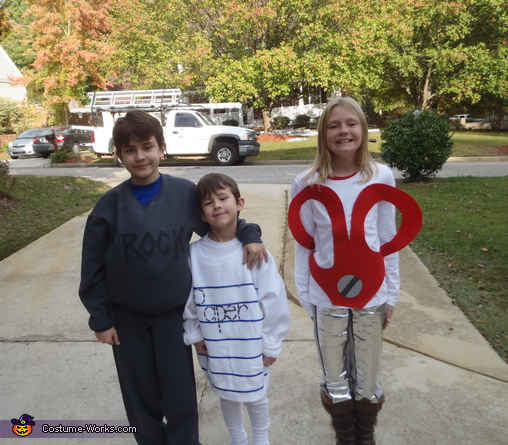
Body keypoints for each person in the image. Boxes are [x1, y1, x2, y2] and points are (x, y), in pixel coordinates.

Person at [78, 110, 267, 445]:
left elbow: (221, 219)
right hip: (126, 319)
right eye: (130, 150)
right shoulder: (109, 207)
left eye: (147, 147)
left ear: (161, 148)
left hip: (173, 316)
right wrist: (100, 319)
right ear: (119, 154)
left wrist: (250, 233)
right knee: (141, 397)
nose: (140, 156)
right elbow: (92, 268)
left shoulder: (183, 195)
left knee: (179, 395)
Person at [288, 97, 421, 445]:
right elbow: (305, 246)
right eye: (334, 125)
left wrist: (391, 294)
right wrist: (306, 296)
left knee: (366, 378)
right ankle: (345, 437)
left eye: (351, 123)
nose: (343, 131)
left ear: (362, 129)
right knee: (335, 377)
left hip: (372, 295)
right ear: (323, 133)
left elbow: (388, 241)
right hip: (325, 295)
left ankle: (366, 437)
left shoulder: (381, 176)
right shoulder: (306, 183)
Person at [183, 173, 291, 445]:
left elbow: (274, 299)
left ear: (239, 202)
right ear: (203, 215)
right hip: (216, 346)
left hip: (251, 345)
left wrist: (271, 342)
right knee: (227, 396)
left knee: (256, 396)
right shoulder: (193, 255)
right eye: (209, 203)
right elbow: (188, 300)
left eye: (223, 198)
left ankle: (261, 440)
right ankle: (238, 439)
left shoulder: (255, 253)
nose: (217, 205)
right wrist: (194, 334)